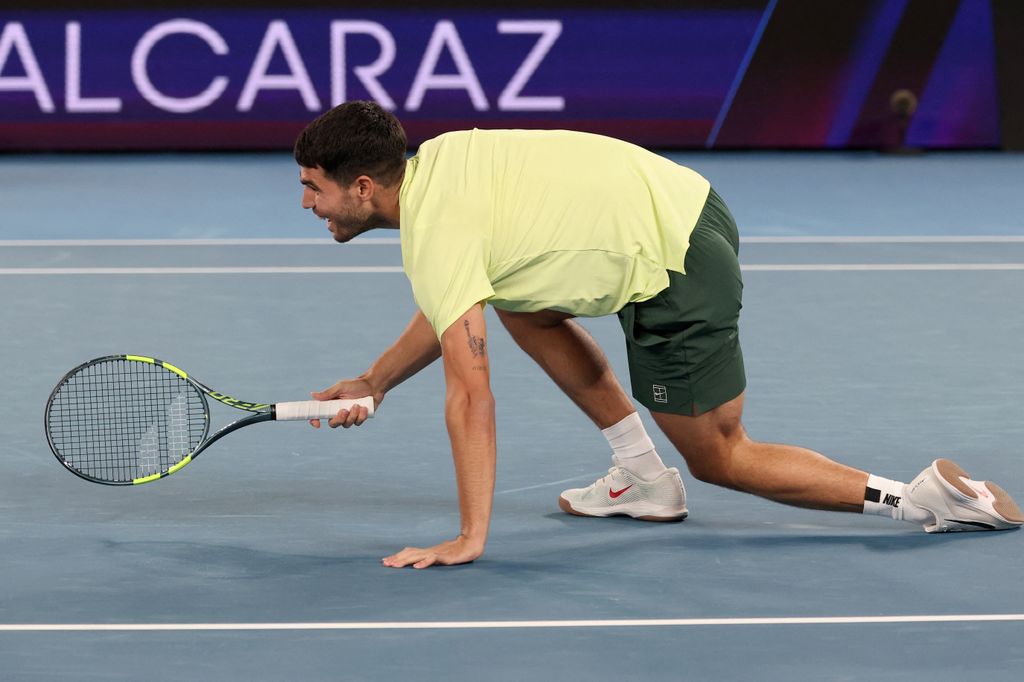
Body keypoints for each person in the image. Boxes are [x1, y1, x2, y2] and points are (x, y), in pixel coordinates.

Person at [293, 101, 1023, 569]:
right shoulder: (437, 165)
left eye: (314, 186)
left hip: (674, 263)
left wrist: (469, 535)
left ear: (363, 186)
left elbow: (469, 394)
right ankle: (642, 479)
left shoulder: (436, 232)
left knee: (720, 456)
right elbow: (460, 289)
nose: (306, 202)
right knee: (519, 300)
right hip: (680, 204)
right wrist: (376, 381)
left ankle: (925, 500)